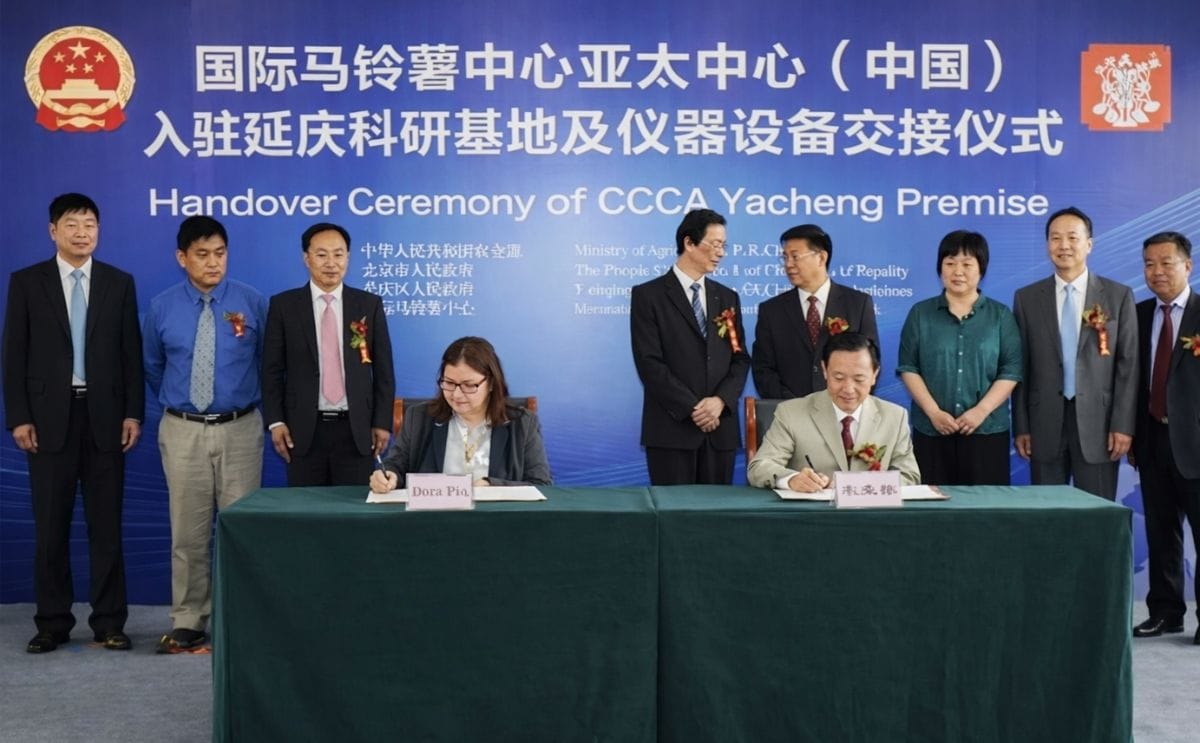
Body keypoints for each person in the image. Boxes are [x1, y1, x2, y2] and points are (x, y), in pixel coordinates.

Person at [2, 193, 143, 653]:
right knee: (51, 528)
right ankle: (52, 622)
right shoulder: (27, 282)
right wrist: (19, 416)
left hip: (104, 419)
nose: (82, 232)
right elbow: (14, 354)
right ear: (53, 231)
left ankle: (109, 621)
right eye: (72, 224)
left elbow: (130, 355)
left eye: (90, 225)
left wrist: (132, 412)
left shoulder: (118, 283)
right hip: (47, 422)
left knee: (107, 528)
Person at [142, 216, 267, 653]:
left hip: (240, 428)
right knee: (189, 533)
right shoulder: (161, 307)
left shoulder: (252, 303)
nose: (213, 263)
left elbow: (268, 364)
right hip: (183, 430)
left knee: (241, 530)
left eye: (220, 253)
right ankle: (189, 619)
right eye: (202, 254)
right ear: (182, 258)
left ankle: (241, 617)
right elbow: (154, 365)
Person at [1012, 207, 1137, 500]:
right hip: (1044, 424)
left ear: (1089, 244)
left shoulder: (1118, 296)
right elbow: (1021, 367)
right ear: (1047, 246)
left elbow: (1128, 366)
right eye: (1055, 238)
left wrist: (1122, 424)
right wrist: (1022, 426)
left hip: (1101, 425)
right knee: (1046, 515)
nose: (1064, 245)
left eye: (1072, 237)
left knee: (1097, 516)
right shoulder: (1027, 298)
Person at [263, 222, 395, 486]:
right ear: (306, 258)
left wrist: (382, 421)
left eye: (339, 254)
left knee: (354, 514)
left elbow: (384, 371)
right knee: (307, 516)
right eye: (322, 254)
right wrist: (276, 421)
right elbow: (271, 370)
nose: (331, 263)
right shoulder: (284, 306)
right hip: (303, 431)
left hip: (356, 430)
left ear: (348, 257)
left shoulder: (369, 305)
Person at [630, 208, 750, 485]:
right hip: (672, 429)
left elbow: (740, 358)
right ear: (689, 242)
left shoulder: (727, 298)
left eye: (724, 246)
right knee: (672, 520)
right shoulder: (649, 296)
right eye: (715, 244)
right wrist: (694, 408)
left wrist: (719, 402)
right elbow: (649, 363)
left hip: (719, 431)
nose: (721, 253)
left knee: (716, 522)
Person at [897, 230, 1022, 485]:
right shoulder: (921, 313)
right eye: (950, 263)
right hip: (931, 430)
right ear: (940, 268)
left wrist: (980, 411)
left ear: (981, 269)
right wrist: (933, 412)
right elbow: (909, 367)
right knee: (933, 510)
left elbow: (1011, 369)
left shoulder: (1000, 315)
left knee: (985, 512)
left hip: (987, 431)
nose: (958, 271)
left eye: (967, 264)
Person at [1130, 231, 1200, 643]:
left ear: (1187, 266)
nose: (1156, 272)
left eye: (1166, 263)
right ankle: (1166, 612)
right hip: (1152, 441)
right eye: (1149, 264)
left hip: (1196, 443)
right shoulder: (1138, 315)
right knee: (1161, 530)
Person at [370, 336, 551, 491]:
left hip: (498, 523)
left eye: (469, 385)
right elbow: (396, 466)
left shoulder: (522, 423)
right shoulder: (419, 417)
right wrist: (388, 476)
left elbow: (541, 484)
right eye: (449, 383)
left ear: (492, 384)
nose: (456, 394)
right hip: (432, 521)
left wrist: (491, 486)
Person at [748, 332, 919, 491]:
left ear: (875, 374)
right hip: (811, 517)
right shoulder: (791, 413)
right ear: (824, 370)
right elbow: (760, 467)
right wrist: (791, 479)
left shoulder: (895, 416)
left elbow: (909, 476)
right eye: (838, 378)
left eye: (859, 379)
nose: (848, 389)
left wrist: (853, 485)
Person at [752, 224, 879, 399]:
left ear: (821, 258)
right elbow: (763, 370)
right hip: (790, 414)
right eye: (785, 257)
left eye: (795, 256)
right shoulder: (771, 310)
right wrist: (795, 408)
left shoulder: (858, 303)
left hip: (843, 411)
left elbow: (869, 362)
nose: (788, 264)